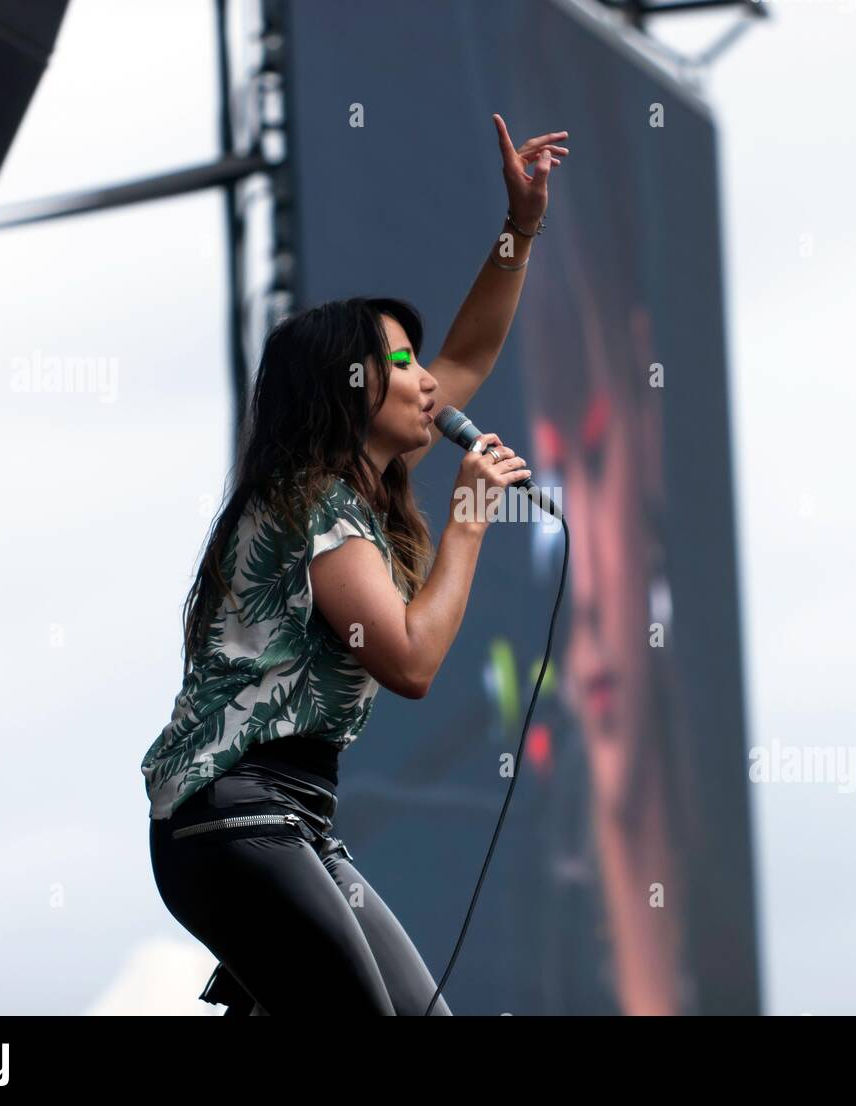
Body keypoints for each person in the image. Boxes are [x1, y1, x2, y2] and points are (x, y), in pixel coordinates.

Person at [141, 115, 569, 1015]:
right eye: (401, 363)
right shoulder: (314, 509)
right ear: (346, 389)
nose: (430, 382)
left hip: (295, 822)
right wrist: (467, 522)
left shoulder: (351, 490)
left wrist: (518, 227)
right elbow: (409, 659)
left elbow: (472, 350)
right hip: (235, 819)